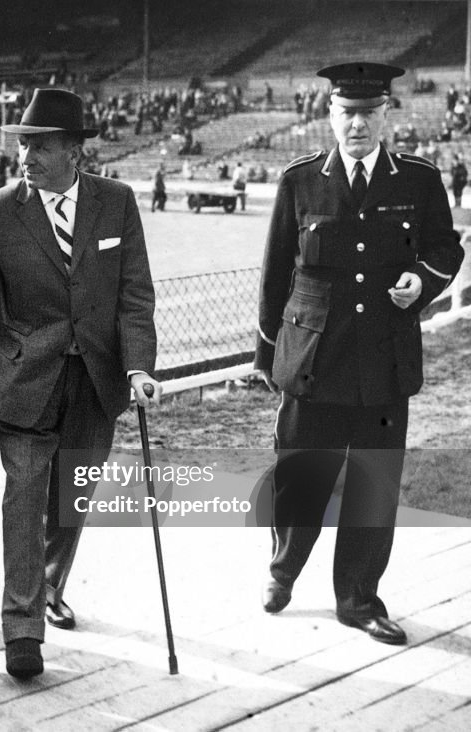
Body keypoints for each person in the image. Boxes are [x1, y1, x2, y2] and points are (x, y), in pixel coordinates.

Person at [0, 88, 161, 680]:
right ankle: (21, 629)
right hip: (24, 378)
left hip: (96, 381)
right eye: (22, 144)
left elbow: (134, 294)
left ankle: (48, 586)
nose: (26, 156)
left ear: (74, 151)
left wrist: (140, 366)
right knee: (25, 499)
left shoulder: (116, 203)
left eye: (39, 146)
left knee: (73, 499)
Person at [255, 63, 464, 645]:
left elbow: (446, 248)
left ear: (386, 116)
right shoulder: (301, 180)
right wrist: (268, 357)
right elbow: (276, 273)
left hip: (383, 358)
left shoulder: (418, 181)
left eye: (370, 113)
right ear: (329, 114)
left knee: (373, 481)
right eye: (347, 112)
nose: (358, 124)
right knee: (302, 474)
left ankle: (359, 598)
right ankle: (284, 568)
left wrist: (422, 282)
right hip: (313, 356)